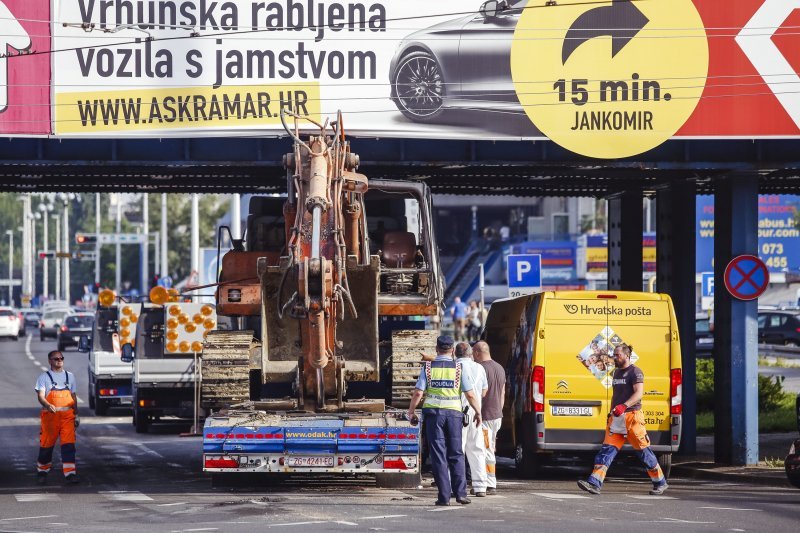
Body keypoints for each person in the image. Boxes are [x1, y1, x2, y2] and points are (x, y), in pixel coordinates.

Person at [577, 343, 668, 496]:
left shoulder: (635, 372)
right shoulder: (617, 373)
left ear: (626, 355)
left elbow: (638, 394)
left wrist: (624, 406)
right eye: (614, 354)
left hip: (633, 418)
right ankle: (594, 483)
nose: (615, 357)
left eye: (617, 355)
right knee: (607, 450)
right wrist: (612, 411)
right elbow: (616, 395)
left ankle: (660, 482)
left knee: (644, 452)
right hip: (617, 418)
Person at [407, 335, 481, 506]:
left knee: (439, 455)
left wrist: (411, 411)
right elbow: (470, 394)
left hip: (434, 415)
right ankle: (461, 494)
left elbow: (418, 392)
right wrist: (478, 412)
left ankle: (444, 497)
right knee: (456, 453)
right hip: (454, 415)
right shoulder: (458, 368)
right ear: (452, 350)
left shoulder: (428, 368)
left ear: (436, 349)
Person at [35, 350, 80, 485]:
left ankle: (70, 474)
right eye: (56, 359)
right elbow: (41, 396)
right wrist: (47, 405)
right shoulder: (44, 377)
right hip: (50, 418)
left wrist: (76, 414)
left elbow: (73, 397)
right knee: (46, 446)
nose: (59, 360)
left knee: (68, 446)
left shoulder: (70, 376)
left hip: (67, 417)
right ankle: (42, 472)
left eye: (61, 358)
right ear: (50, 361)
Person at [455, 342, 488, 497]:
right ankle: (481, 486)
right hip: (475, 413)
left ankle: (456, 485)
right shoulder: (479, 368)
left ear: (456, 354)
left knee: (457, 450)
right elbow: (483, 391)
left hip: (457, 414)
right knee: (477, 449)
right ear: (470, 354)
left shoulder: (453, 367)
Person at [473, 341, 505, 495]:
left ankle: (489, 483)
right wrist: (499, 411)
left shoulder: (480, 369)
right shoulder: (500, 368)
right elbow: (502, 394)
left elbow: (477, 393)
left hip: (485, 416)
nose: (473, 357)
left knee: (485, 450)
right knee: (489, 448)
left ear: (478, 353)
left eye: (473, 353)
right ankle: (488, 482)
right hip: (496, 415)